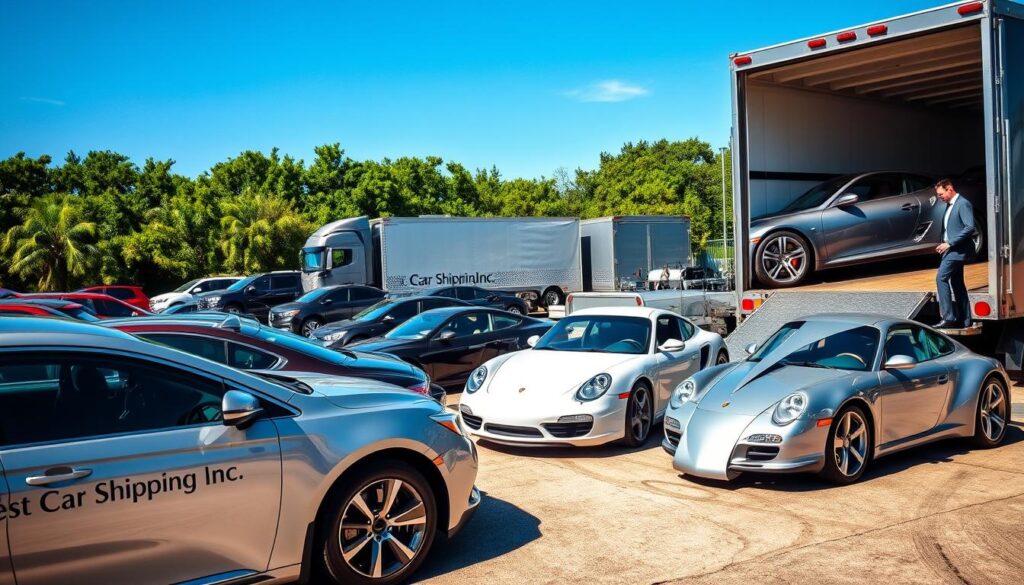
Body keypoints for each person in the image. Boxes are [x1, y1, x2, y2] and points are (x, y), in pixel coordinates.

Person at [933, 178, 976, 329]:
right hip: (953, 250)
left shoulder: (962, 204)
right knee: (957, 283)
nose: (940, 198)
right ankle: (965, 320)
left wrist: (949, 243)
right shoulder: (950, 205)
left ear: (949, 189)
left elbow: (970, 227)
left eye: (941, 194)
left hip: (958, 250)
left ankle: (948, 317)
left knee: (941, 278)